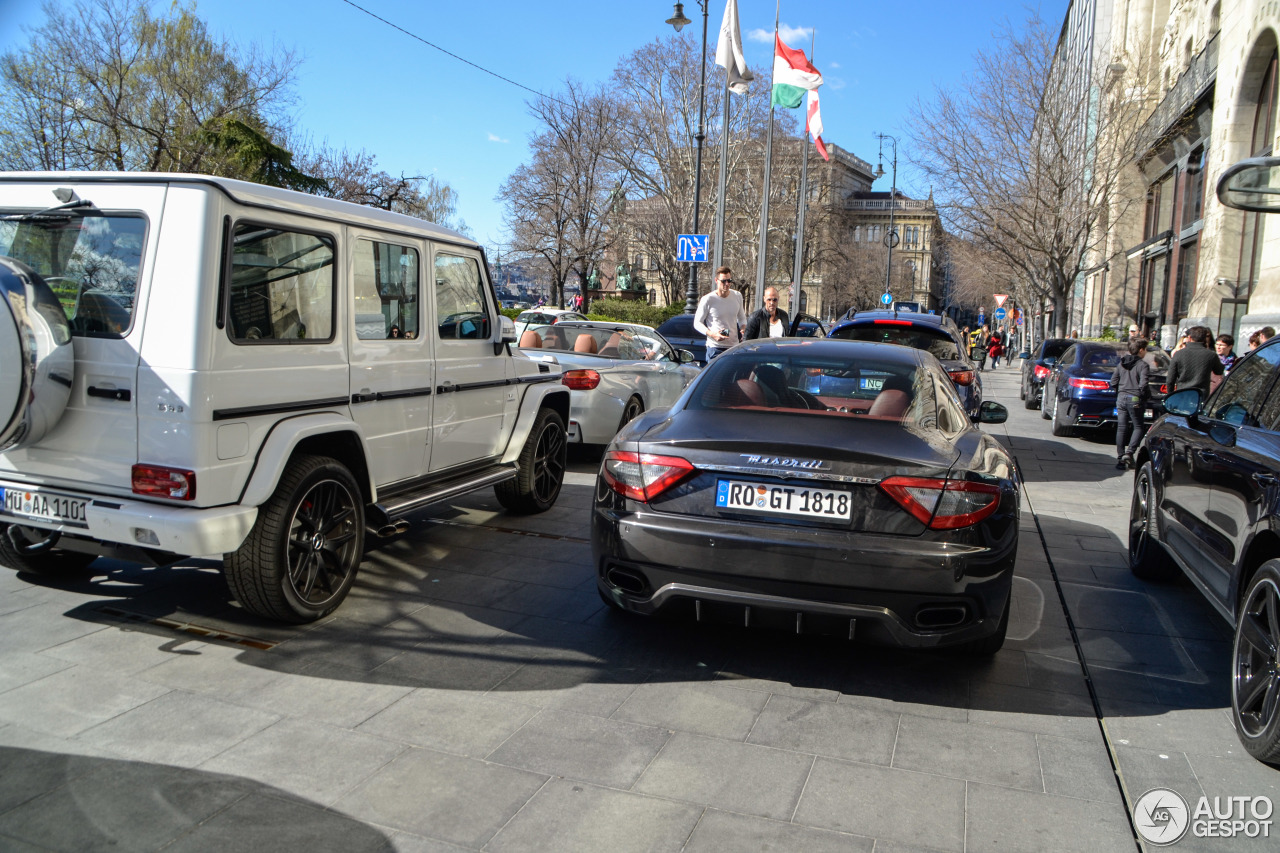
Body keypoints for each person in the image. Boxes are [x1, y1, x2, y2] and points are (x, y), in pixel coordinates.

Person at [1112, 337, 1151, 470]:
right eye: (1145, 349)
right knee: (1139, 426)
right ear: (1141, 350)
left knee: (1122, 427)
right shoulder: (1143, 365)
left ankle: (1120, 459)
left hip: (1121, 397)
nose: (1146, 352)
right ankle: (1130, 452)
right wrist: (1142, 396)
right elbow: (1144, 384)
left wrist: (1120, 391)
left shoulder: (1121, 364)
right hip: (1135, 398)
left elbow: (1113, 381)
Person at [693, 266, 747, 360]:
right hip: (715, 347)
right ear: (716, 280)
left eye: (729, 281)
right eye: (723, 281)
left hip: (733, 347)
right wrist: (712, 334)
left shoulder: (737, 296)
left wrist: (743, 329)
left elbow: (742, 318)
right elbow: (697, 323)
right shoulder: (708, 299)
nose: (727, 284)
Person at [1166, 325, 1223, 402]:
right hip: (1200, 395)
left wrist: (1171, 395)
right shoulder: (1211, 355)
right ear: (1204, 338)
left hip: (1182, 394)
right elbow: (1219, 371)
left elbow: (1170, 379)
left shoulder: (1179, 354)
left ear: (1189, 338)